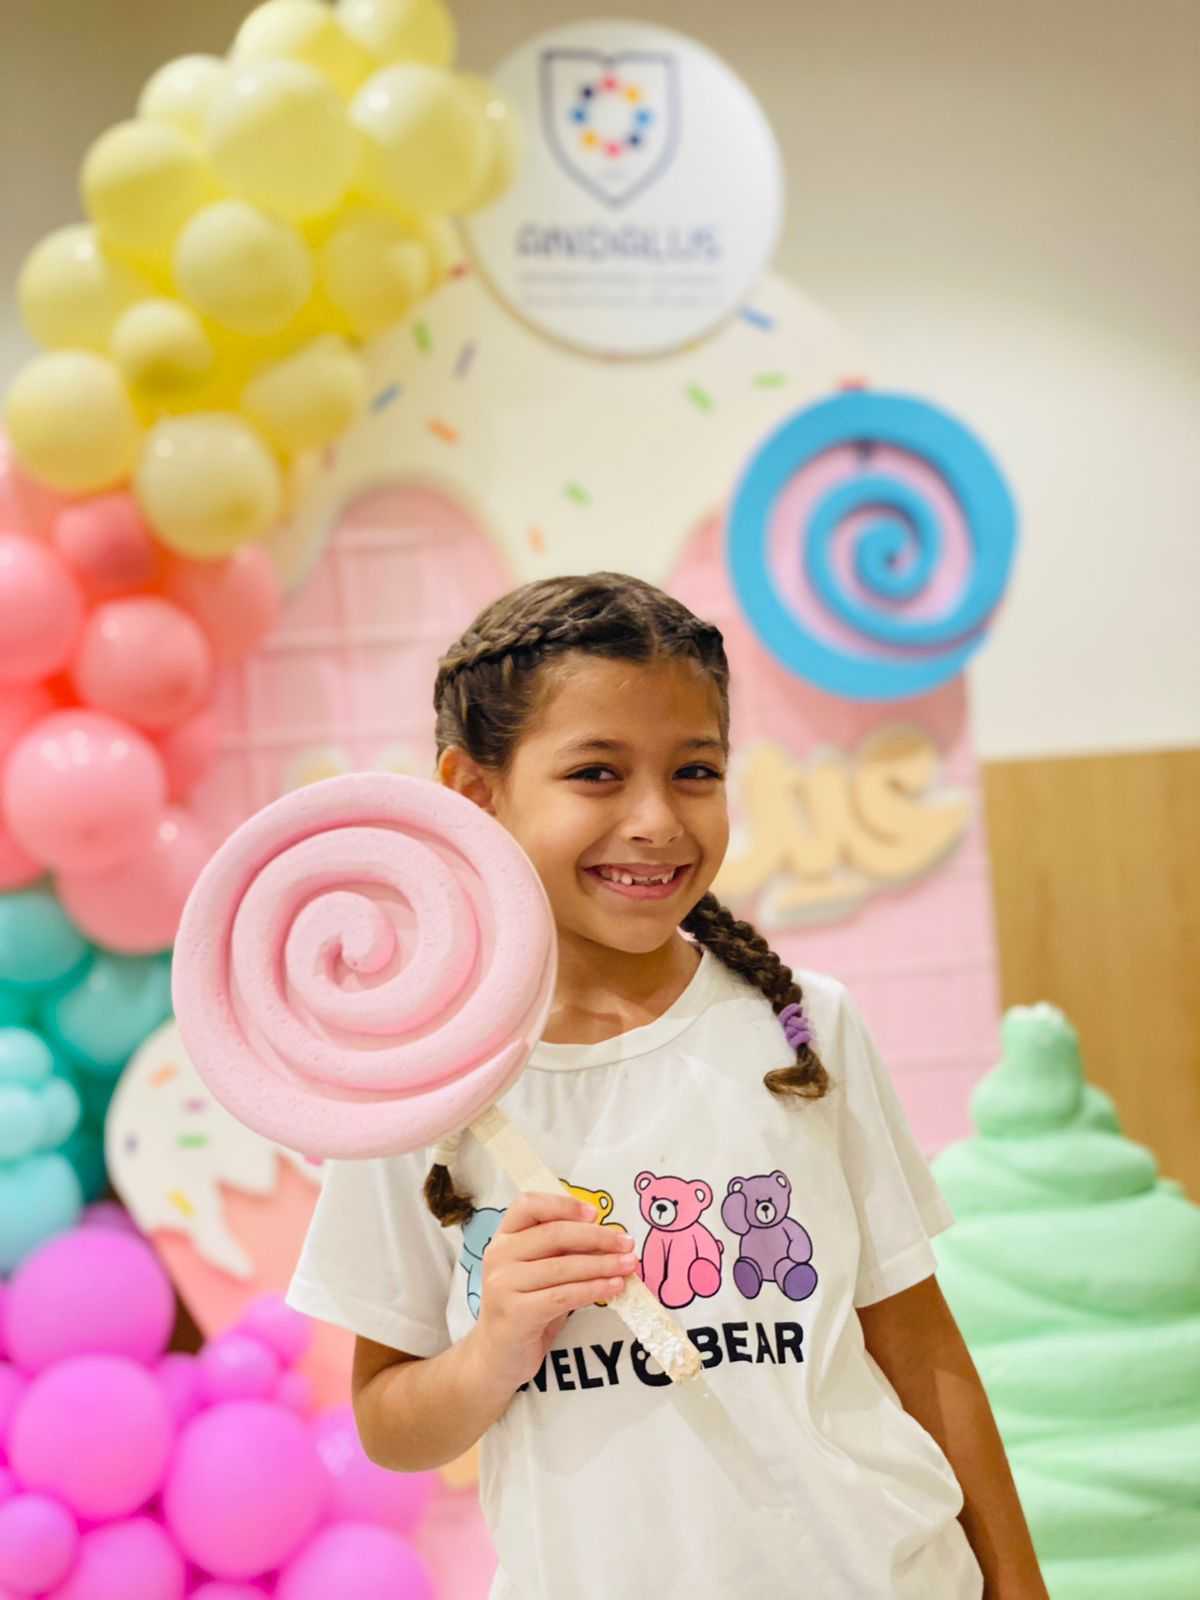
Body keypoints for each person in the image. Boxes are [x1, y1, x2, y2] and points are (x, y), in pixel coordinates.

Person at [287, 573, 1047, 1599]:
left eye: (695, 770)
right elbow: (388, 1423)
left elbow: (917, 1341)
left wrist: (1019, 1584)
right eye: (596, 773)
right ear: (473, 791)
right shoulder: (417, 1085)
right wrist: (495, 1347)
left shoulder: (801, 1027)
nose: (655, 820)